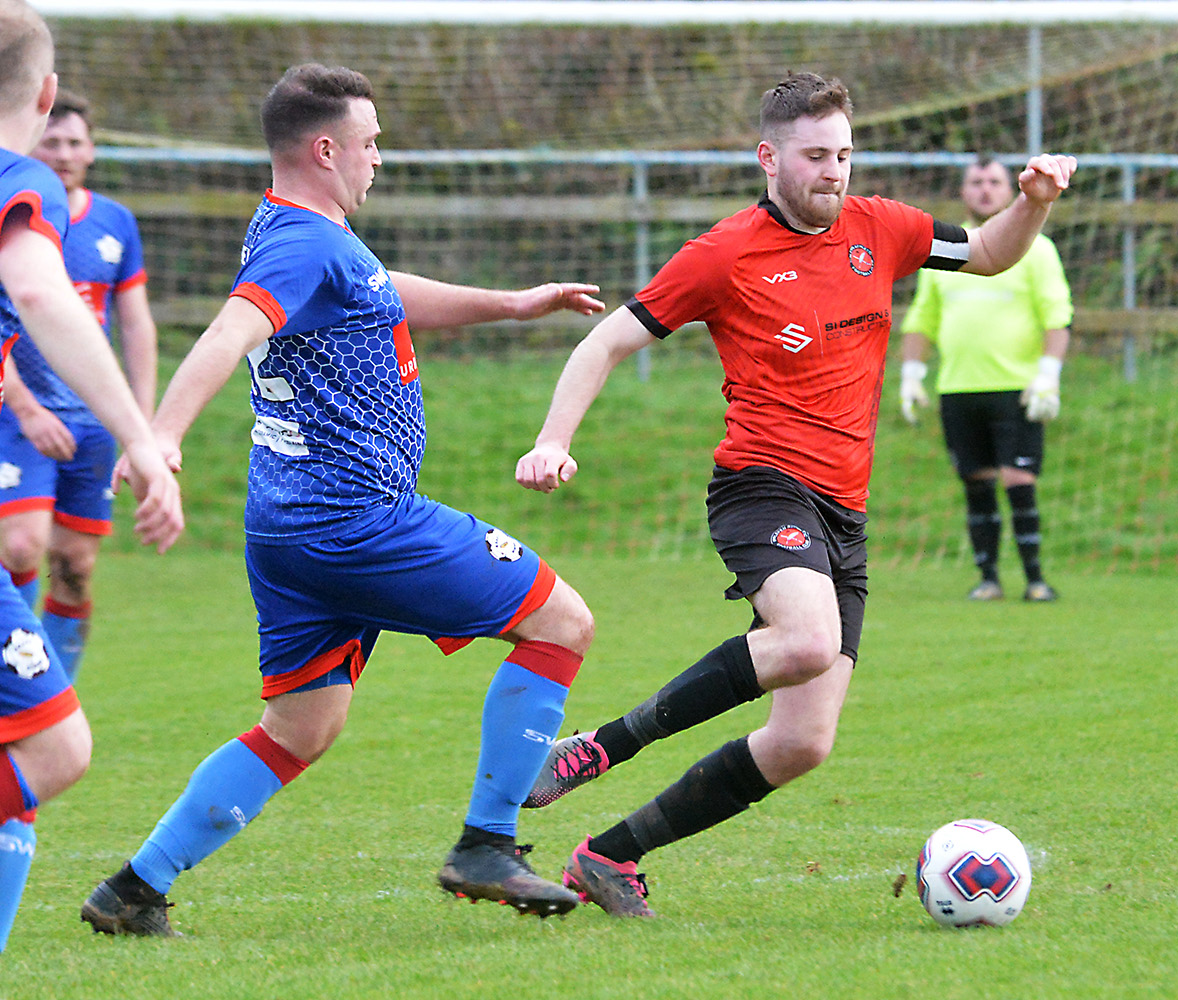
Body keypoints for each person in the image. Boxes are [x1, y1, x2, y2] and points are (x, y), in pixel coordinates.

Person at [514, 72, 1075, 917]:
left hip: (843, 512)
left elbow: (991, 254)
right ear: (768, 157)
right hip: (760, 487)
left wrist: (1032, 201)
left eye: (845, 154)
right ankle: (600, 747)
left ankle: (610, 855)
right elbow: (606, 341)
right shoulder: (724, 253)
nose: (835, 172)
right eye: (816, 156)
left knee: (803, 742)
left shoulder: (881, 229)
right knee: (807, 640)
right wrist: (553, 440)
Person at [79, 63, 606, 938]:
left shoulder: (302, 234)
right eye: (369, 145)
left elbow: (382, 291)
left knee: (298, 726)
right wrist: (160, 438)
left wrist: (512, 305)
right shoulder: (305, 246)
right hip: (357, 521)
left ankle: (134, 890)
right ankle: (488, 841)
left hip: (286, 528)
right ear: (325, 149)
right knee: (563, 622)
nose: (378, 162)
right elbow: (229, 330)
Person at [0, 0, 183, 953]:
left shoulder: (111, 222)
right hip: (31, 422)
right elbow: (35, 293)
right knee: (53, 749)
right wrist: (144, 442)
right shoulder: (14, 176)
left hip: (70, 428)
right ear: (46, 93)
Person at [0, 89, 160, 681]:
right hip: (17, 416)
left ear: (91, 150)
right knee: (20, 546)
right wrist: (25, 406)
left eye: (75, 141)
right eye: (52, 140)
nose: (63, 152)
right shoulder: (17, 209)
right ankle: (14, 686)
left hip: (91, 425)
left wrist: (139, 428)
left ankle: (52, 695)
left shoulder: (115, 223)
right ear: (30, 140)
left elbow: (137, 326)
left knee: (74, 566)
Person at [898, 154, 1072, 602]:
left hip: (1016, 388)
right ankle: (988, 578)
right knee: (976, 482)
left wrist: (1048, 374)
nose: (985, 190)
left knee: (1019, 480)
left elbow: (1057, 315)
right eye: (976, 182)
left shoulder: (1038, 249)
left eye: (994, 181)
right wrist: (912, 374)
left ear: (1008, 186)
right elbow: (923, 316)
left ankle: (1035, 579)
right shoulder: (945, 249)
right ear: (964, 191)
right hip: (958, 388)